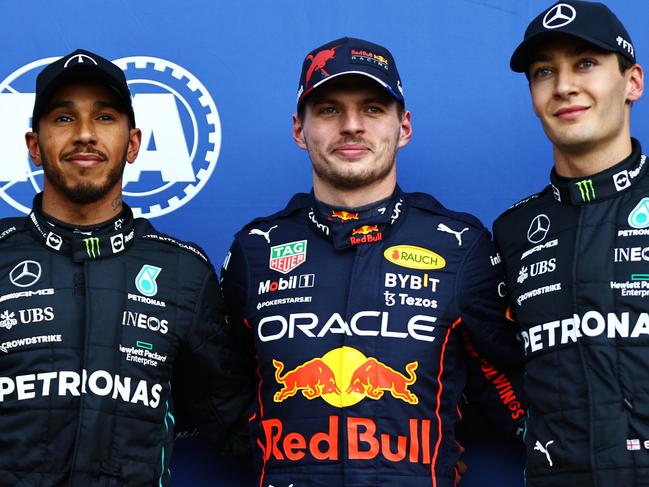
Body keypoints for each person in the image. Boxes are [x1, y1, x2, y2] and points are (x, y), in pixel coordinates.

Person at [220, 37, 524, 487]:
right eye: (328, 110)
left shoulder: (461, 244)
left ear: (403, 127)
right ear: (299, 130)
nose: (351, 126)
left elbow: (505, 382)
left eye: (373, 109)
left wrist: (432, 453)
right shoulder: (257, 248)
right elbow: (219, 388)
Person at [0, 49, 251, 486]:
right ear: (34, 147)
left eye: (104, 118)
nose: (83, 135)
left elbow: (236, 422)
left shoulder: (183, 273)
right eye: (63, 118)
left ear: (132, 144)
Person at [494, 1, 647, 485]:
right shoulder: (512, 231)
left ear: (632, 82)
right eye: (544, 72)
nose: (563, 86)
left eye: (586, 63)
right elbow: (492, 364)